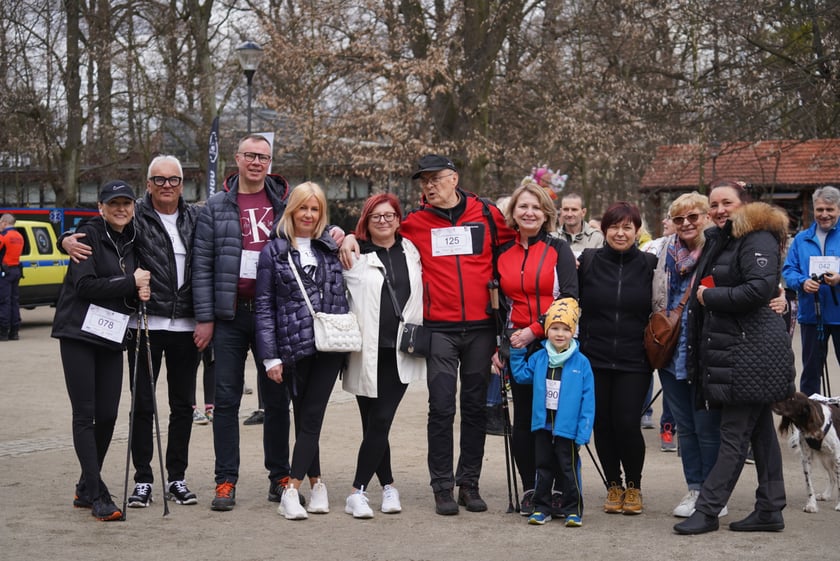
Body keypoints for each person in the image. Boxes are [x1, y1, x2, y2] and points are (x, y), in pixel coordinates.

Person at [340, 154, 516, 515]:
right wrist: (342, 236)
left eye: (436, 179)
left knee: (474, 408)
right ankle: (442, 487)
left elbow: (514, 247)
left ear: (454, 178)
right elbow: (378, 235)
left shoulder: (486, 214)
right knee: (441, 408)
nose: (429, 186)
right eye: (424, 181)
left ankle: (469, 482)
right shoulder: (416, 223)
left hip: (482, 327)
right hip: (439, 329)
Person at [62, 156, 204, 507]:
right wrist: (67, 238)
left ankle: (177, 476)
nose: (167, 185)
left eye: (173, 179)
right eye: (159, 179)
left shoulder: (198, 217)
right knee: (143, 404)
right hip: (146, 323)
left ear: (182, 183)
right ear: (149, 184)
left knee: (183, 404)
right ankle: (143, 478)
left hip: (187, 321)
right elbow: (96, 226)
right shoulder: (136, 214)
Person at [674, 180, 795, 535]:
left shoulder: (757, 237)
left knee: (733, 435)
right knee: (760, 434)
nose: (719, 209)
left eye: (726, 202)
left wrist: (709, 297)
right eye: (714, 204)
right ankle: (771, 508)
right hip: (739, 350)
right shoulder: (724, 239)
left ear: (744, 203)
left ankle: (708, 510)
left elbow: (759, 289)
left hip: (751, 352)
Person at [191, 134, 295, 512]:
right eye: (250, 155)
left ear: (270, 162)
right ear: (236, 159)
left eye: (263, 157)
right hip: (230, 315)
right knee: (226, 401)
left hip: (275, 315)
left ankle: (280, 477)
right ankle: (225, 481)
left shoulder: (286, 204)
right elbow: (201, 266)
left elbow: (310, 240)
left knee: (277, 400)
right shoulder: (215, 208)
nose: (256, 162)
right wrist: (205, 318)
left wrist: (339, 235)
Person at [51, 180, 150, 521]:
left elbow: (137, 277)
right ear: (101, 207)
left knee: (108, 414)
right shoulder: (86, 234)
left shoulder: (135, 236)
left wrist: (143, 288)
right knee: (85, 413)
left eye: (126, 203)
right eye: (114, 203)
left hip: (112, 333)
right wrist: (131, 283)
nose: (121, 209)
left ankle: (84, 486)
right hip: (78, 332)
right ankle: (98, 493)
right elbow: (85, 285)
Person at [255, 181, 349, 520]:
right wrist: (270, 356)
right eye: (303, 208)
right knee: (306, 417)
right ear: (291, 210)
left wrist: (349, 237)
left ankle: (292, 489)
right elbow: (264, 306)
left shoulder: (329, 248)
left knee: (311, 417)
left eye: (315, 209)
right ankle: (317, 483)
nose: (308, 215)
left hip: (329, 345)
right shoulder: (274, 251)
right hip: (293, 348)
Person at [491, 180, 578, 516]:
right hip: (516, 346)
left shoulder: (559, 249)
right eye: (522, 207)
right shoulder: (502, 254)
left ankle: (558, 487)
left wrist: (535, 330)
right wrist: (499, 346)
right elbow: (498, 307)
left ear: (546, 214)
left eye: (535, 207)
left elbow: (570, 297)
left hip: (555, 345)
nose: (529, 212)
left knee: (555, 417)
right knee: (525, 418)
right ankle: (531, 488)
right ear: (513, 213)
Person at [340, 193, 426, 518]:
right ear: (366, 220)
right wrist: (347, 235)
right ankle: (388, 485)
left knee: (381, 419)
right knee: (373, 425)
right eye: (376, 216)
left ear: (398, 219)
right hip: (365, 352)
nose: (383, 221)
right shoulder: (353, 253)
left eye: (389, 215)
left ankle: (356, 491)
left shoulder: (413, 251)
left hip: (401, 350)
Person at [649, 193, 727, 518]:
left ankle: (713, 493)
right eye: (679, 219)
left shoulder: (719, 249)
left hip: (704, 350)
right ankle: (694, 487)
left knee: (708, 426)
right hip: (670, 351)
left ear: (706, 217)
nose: (686, 224)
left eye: (693, 217)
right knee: (685, 425)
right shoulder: (662, 249)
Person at [577, 201, 656, 515]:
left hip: (634, 359)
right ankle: (613, 484)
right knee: (602, 424)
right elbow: (566, 293)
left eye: (627, 227)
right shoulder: (589, 261)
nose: (620, 233)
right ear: (604, 229)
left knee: (626, 423)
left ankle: (633, 485)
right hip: (593, 357)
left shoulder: (651, 264)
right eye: (614, 226)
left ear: (637, 231)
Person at [509, 298, 594, 527]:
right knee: (543, 468)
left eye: (565, 329)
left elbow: (588, 400)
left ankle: (573, 510)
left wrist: (584, 429)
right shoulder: (539, 358)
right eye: (554, 328)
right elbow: (521, 375)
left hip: (568, 428)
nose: (559, 334)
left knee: (569, 470)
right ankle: (541, 508)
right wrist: (517, 353)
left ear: (573, 332)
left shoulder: (581, 363)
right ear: (546, 331)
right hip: (543, 425)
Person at [782, 185, 840, 398]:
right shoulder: (801, 239)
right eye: (820, 209)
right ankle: (809, 421)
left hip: (839, 314)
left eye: (830, 209)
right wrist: (802, 282)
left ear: (838, 210)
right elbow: (788, 270)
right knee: (811, 373)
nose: (824, 214)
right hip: (812, 315)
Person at [640, 216, 678, 451]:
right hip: (651, 323)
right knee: (645, 373)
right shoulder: (651, 246)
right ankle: (642, 413)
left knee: (672, 380)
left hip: (676, 325)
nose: (665, 220)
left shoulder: (698, 248)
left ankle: (668, 427)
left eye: (672, 218)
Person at [0, 213, 24, 341]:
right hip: (16, 270)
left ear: (4, 222)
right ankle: (14, 331)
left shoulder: (3, 236)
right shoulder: (19, 236)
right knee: (14, 301)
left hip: (5, 272)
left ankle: (3, 331)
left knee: (4, 301)